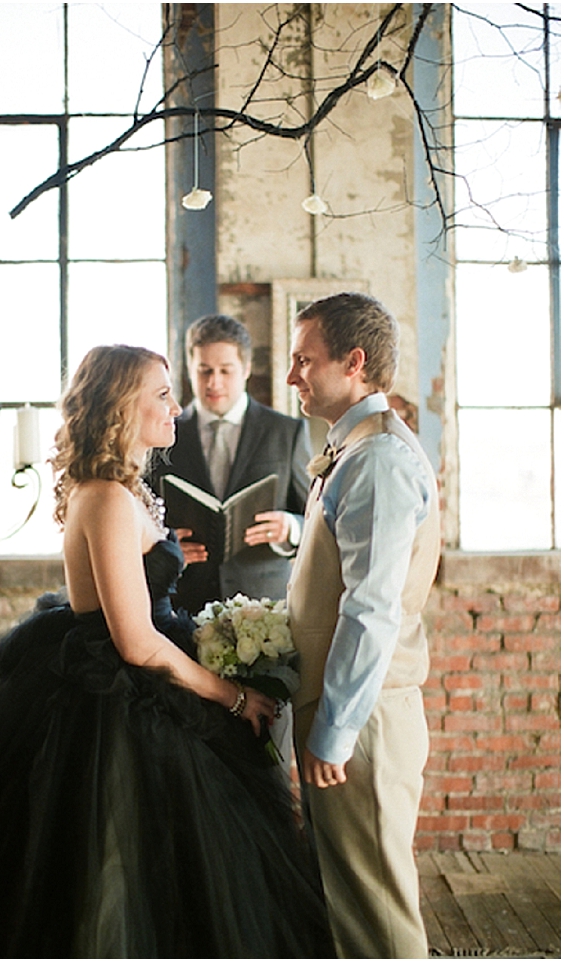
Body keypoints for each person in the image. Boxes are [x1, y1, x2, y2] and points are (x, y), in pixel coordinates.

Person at [0, 344, 334, 959]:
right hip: (117, 700)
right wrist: (232, 695)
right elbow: (136, 641)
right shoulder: (108, 496)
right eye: (162, 395)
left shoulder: (126, 488)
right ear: (123, 406)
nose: (176, 406)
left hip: (143, 680)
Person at [286, 293, 441, 959]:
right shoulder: (351, 448)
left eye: (303, 360)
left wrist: (335, 729)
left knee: (376, 920)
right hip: (348, 708)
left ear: (353, 363)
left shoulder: (378, 460)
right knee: (349, 907)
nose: (293, 375)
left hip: (365, 718)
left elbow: (371, 610)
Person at [150, 314, 311, 617]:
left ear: (246, 369)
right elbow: (139, 523)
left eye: (225, 370)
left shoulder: (286, 433)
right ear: (189, 369)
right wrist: (166, 552)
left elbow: (317, 519)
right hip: (182, 605)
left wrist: (291, 528)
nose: (214, 383)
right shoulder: (161, 434)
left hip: (265, 611)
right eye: (204, 371)